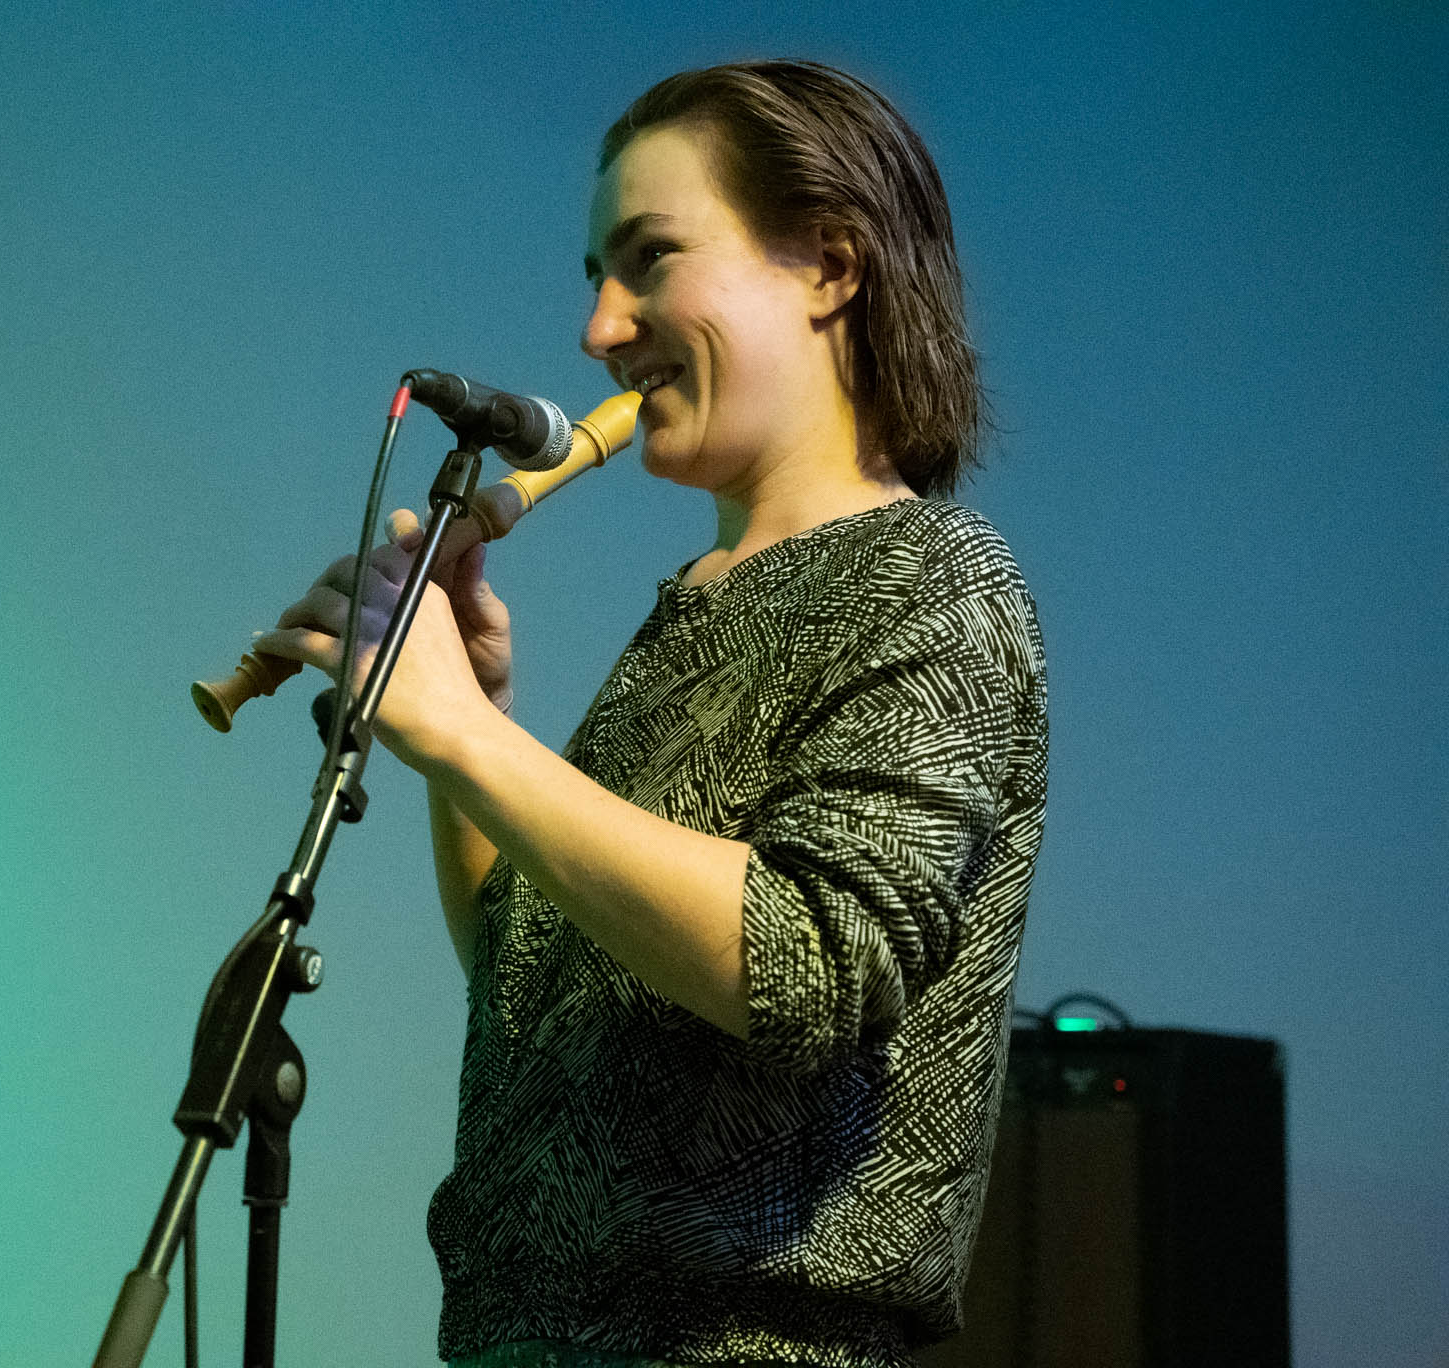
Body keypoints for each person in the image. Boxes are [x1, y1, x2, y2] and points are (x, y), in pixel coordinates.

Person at [256, 60, 1048, 1368]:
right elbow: (532, 975)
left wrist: (463, 733)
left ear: (830, 267)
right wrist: (476, 725)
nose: (600, 329)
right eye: (596, 276)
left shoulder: (933, 579)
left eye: (650, 260)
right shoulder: (699, 607)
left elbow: (809, 963)